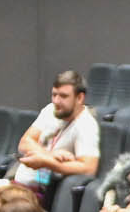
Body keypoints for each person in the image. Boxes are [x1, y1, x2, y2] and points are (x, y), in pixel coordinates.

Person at [13, 72, 101, 203]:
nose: (56, 101)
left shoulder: (86, 125)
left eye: (63, 96)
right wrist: (49, 155)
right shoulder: (50, 110)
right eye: (54, 95)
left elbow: (89, 168)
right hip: (17, 186)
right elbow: (24, 143)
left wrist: (47, 162)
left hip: (37, 195)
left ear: (80, 98)